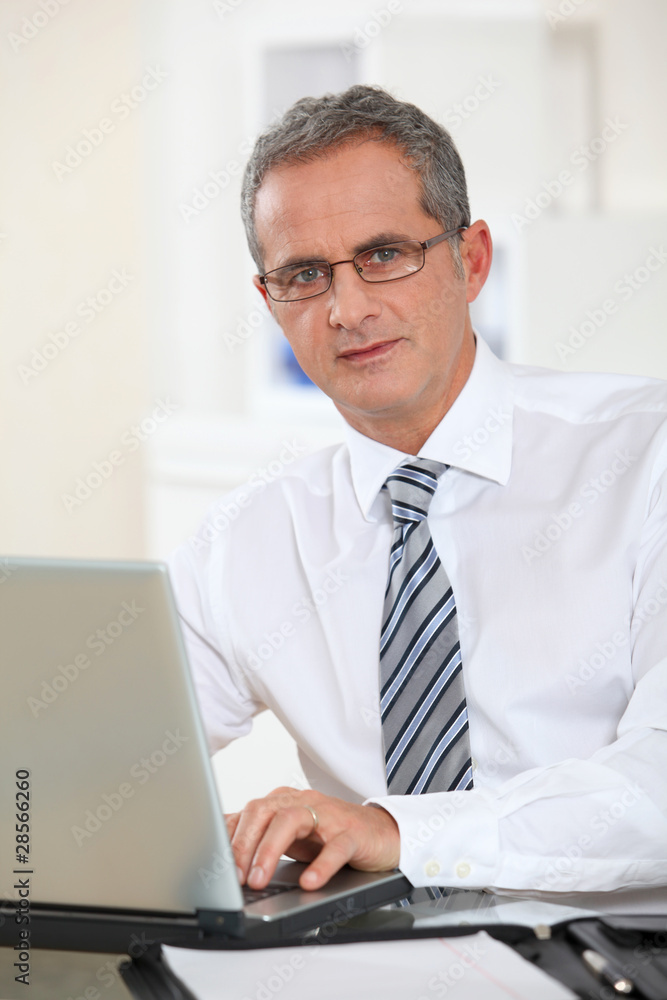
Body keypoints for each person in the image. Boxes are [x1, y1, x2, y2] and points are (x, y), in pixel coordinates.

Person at [168, 85, 667, 898]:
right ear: (269, 301)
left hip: (608, 949)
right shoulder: (244, 541)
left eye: (384, 255)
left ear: (472, 261)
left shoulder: (645, 455)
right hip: (358, 951)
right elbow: (95, 766)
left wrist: (400, 834)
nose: (347, 309)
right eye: (303, 274)